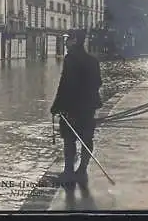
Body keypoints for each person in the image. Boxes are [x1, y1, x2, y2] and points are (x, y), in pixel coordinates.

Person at [50, 29, 103, 185]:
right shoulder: (93, 60)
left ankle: (68, 172)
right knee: (86, 138)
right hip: (88, 107)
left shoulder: (70, 59)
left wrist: (57, 106)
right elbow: (98, 82)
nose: (66, 42)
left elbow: (66, 85)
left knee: (69, 140)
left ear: (75, 41)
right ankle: (82, 170)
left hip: (72, 108)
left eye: (68, 39)